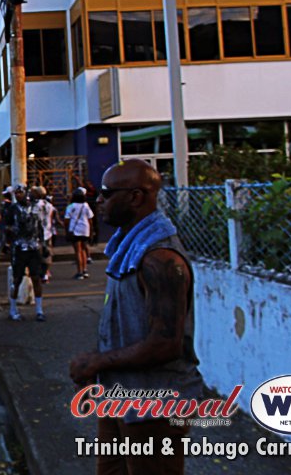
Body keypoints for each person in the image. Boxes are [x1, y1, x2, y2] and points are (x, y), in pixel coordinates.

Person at [69, 159, 203, 475]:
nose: (97, 201)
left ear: (135, 197)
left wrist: (98, 362)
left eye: (106, 194)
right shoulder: (129, 248)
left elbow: (165, 345)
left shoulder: (160, 259)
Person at [6, 186, 48, 322]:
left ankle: (39, 310)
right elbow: (5, 226)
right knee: (17, 279)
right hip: (19, 248)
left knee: (36, 278)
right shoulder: (13, 209)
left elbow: (40, 226)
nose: (18, 195)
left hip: (34, 248)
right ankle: (13, 310)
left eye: (20, 192)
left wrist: (44, 245)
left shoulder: (36, 207)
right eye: (16, 193)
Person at [64, 189, 95, 279]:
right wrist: (91, 231)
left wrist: (67, 231)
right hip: (85, 230)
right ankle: (85, 270)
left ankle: (79, 272)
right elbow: (90, 219)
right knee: (83, 250)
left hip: (75, 230)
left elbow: (66, 220)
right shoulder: (86, 206)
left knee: (77, 251)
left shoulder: (71, 206)